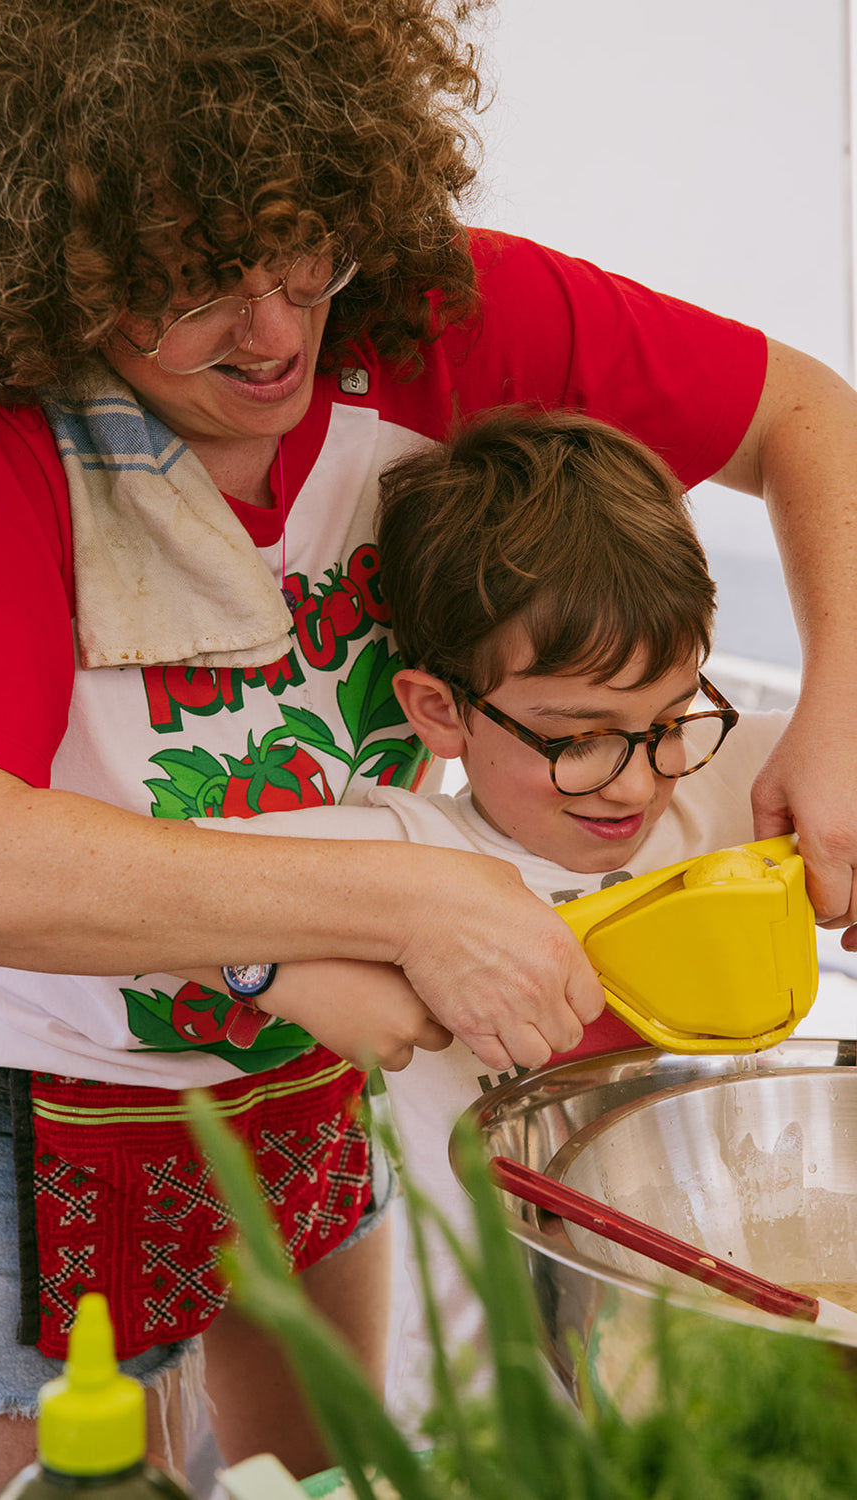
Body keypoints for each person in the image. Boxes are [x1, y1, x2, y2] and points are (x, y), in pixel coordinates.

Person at [0, 0, 855, 1494]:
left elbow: (805, 417)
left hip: (299, 1080)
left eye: (296, 248)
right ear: (59, 277)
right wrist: (417, 901)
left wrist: (843, 706)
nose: (274, 333)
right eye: (187, 292)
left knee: (324, 1474)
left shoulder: (436, 316)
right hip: (32, 1097)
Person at [176, 405, 793, 1428]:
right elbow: (167, 902)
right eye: (577, 738)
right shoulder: (399, 852)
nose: (636, 782)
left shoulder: (721, 784)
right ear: (439, 710)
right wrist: (268, 974)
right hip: (495, 1406)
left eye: (671, 716)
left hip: (727, 1365)